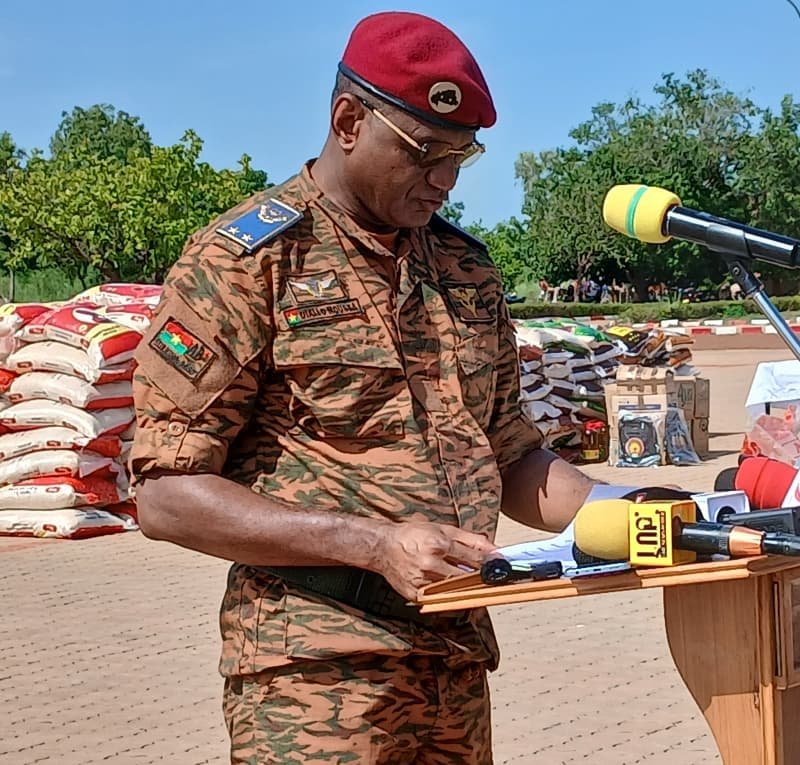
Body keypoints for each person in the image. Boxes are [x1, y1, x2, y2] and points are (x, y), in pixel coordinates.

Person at [128, 11, 626, 765]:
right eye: (426, 152)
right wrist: (373, 545)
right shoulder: (246, 262)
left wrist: (635, 516)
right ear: (348, 120)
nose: (446, 180)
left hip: (453, 659)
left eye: (463, 157)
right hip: (314, 673)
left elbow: (512, 454)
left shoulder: (464, 268)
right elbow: (165, 492)